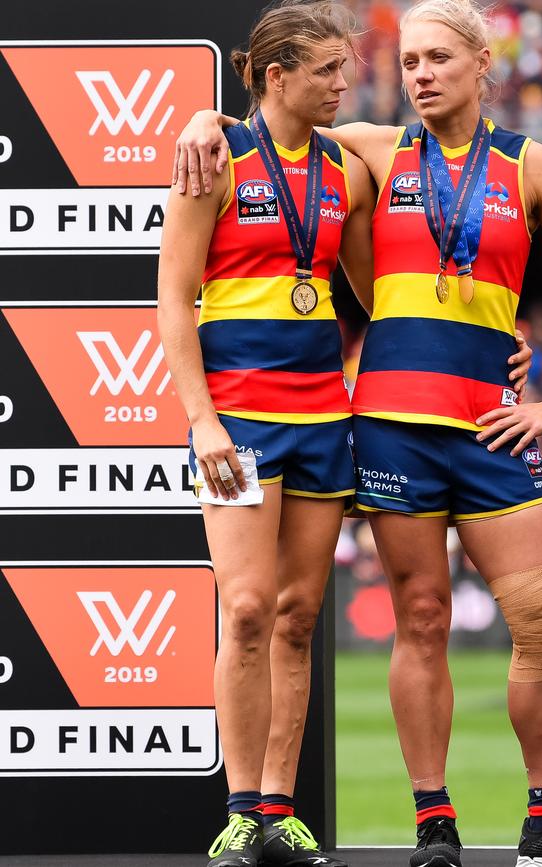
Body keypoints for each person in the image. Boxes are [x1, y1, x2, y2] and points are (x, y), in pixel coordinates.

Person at [173, 2, 542, 867]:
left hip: (484, 424)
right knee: (414, 615)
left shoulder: (530, 166)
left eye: (436, 58)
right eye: (411, 59)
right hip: (379, 424)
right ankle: (432, 823)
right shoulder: (371, 148)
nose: (417, 73)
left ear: (480, 61)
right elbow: (264, 128)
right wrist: (206, 116)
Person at [157, 3, 378, 865]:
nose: (342, 83)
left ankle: (282, 810)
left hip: (325, 416)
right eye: (325, 70)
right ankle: (242, 811)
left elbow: (369, 289)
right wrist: (200, 419)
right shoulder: (210, 159)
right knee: (245, 609)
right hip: (237, 425)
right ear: (275, 75)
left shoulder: (347, 171)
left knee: (298, 617)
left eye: (344, 70)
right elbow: (174, 300)